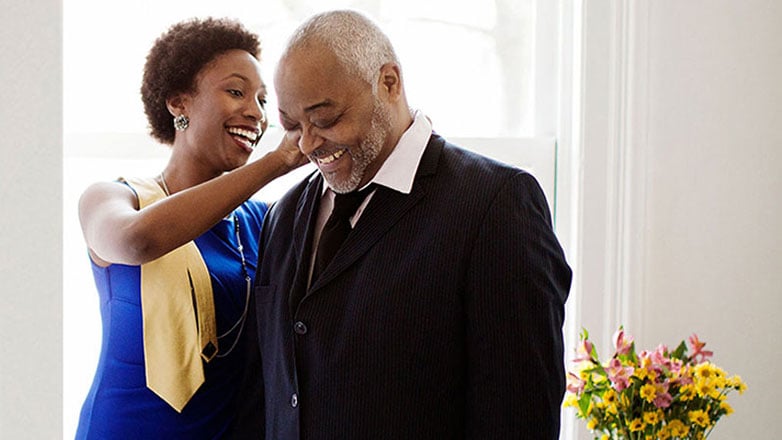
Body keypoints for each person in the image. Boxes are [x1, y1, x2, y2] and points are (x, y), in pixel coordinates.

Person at [234, 9, 572, 439]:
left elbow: (520, 417)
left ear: (388, 82)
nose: (309, 144)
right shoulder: (283, 215)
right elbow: (268, 394)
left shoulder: (496, 205)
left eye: (325, 119)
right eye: (293, 127)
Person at [74, 17, 306, 439]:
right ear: (178, 102)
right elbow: (138, 240)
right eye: (236, 92)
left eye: (261, 100)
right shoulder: (114, 199)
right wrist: (277, 162)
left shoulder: (260, 224)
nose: (255, 112)